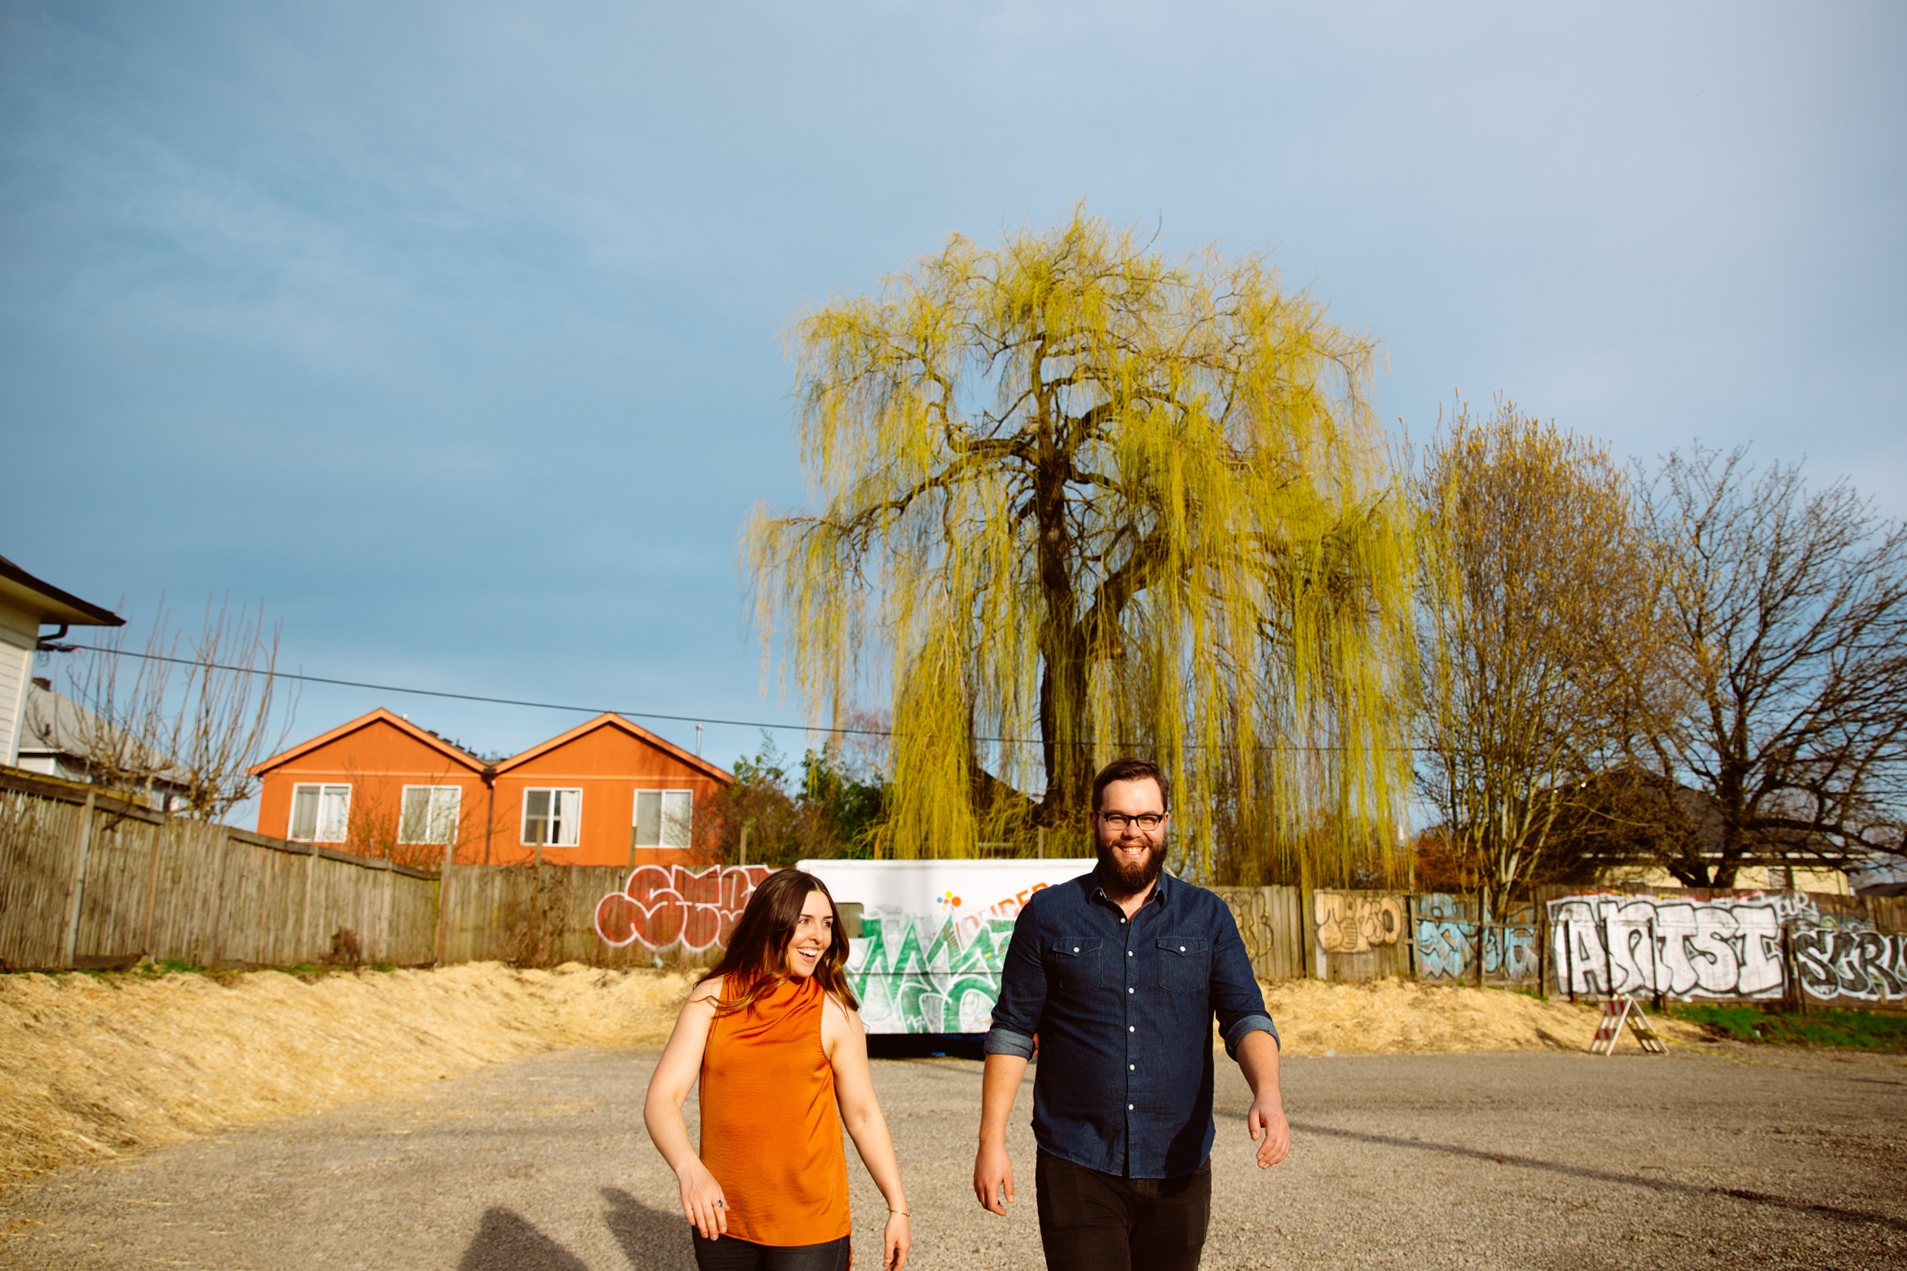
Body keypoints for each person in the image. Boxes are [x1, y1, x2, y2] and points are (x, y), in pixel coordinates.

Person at [972, 756, 1289, 1271]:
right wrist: (991, 1142)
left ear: (1165, 822)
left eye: (1146, 818)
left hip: (1179, 1166)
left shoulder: (1206, 915)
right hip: (1077, 1163)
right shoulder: (1048, 915)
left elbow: (1246, 1017)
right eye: (1118, 817)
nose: (1132, 832)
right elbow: (1011, 1031)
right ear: (1095, 822)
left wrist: (1268, 1095)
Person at [646, 867, 911, 1271]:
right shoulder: (711, 1000)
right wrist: (691, 1172)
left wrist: (898, 1207)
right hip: (722, 1221)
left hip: (811, 1230)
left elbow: (862, 1115)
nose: (818, 936)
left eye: (826, 924)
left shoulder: (835, 1012)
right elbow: (662, 1100)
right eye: (804, 921)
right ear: (772, 922)